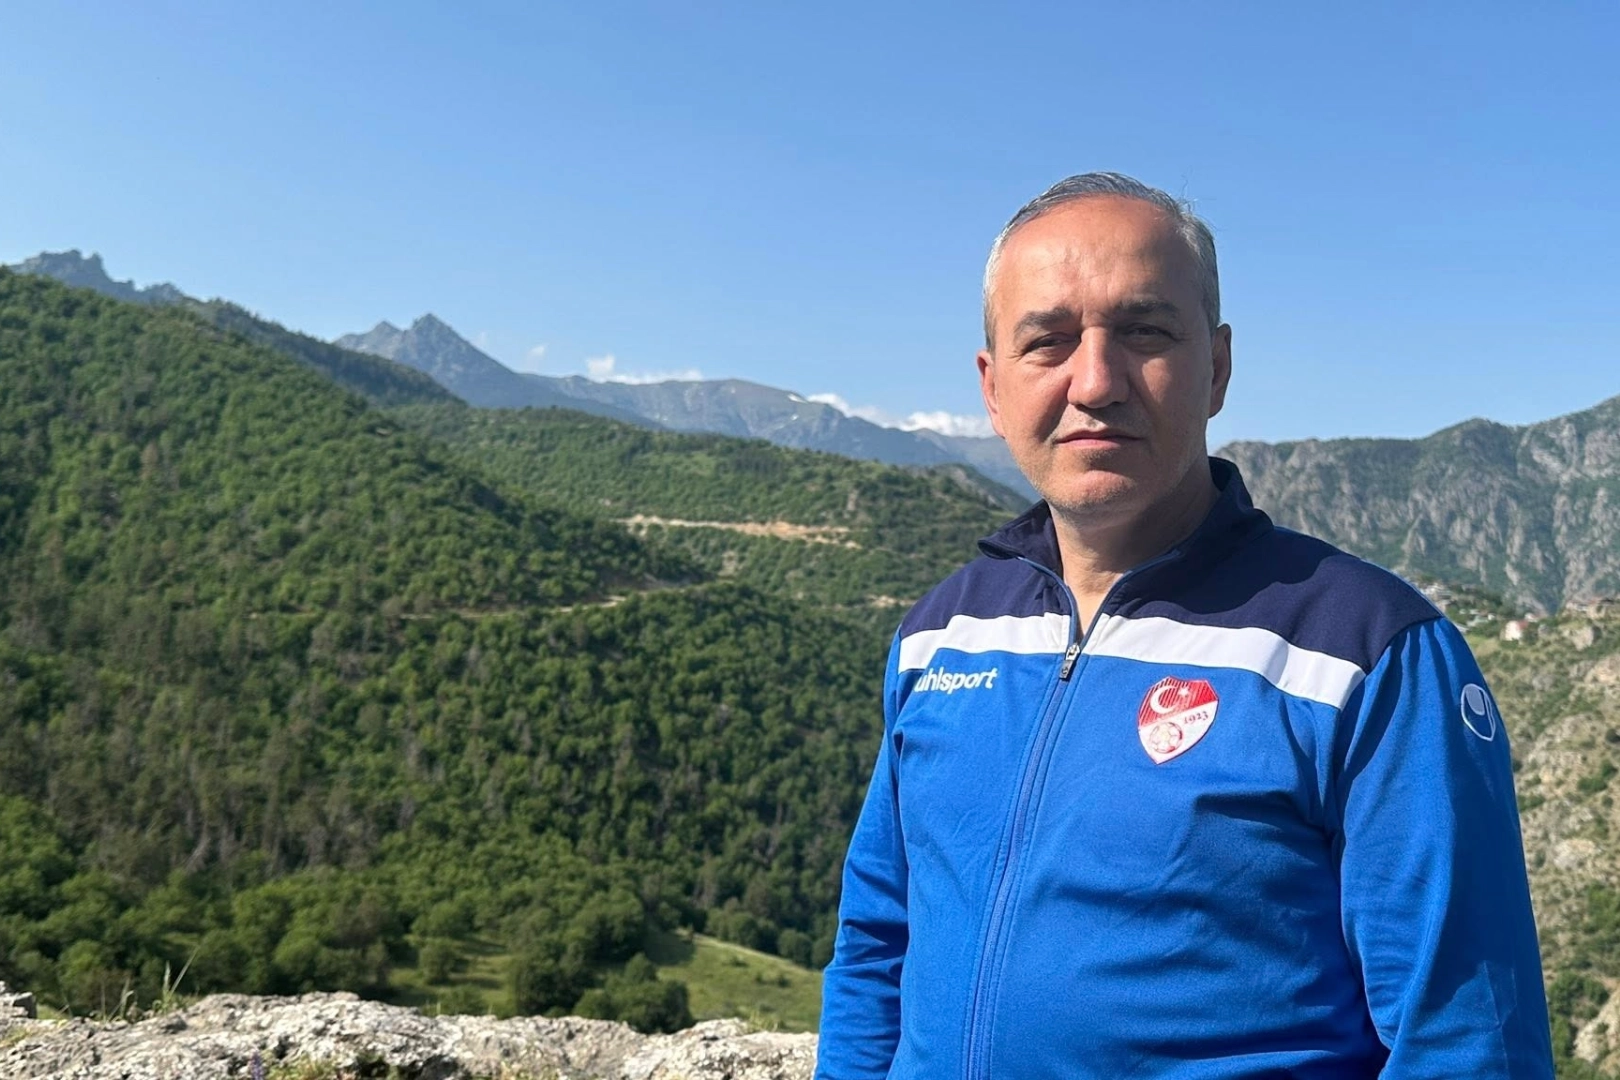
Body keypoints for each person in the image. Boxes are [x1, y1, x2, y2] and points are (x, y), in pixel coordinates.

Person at [815, 172, 1553, 1078]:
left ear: (1217, 367)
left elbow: (1467, 1042)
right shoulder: (941, 634)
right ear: (993, 387)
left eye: (1145, 332)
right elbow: (877, 946)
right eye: (1047, 342)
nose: (1096, 382)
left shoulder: (1366, 653)